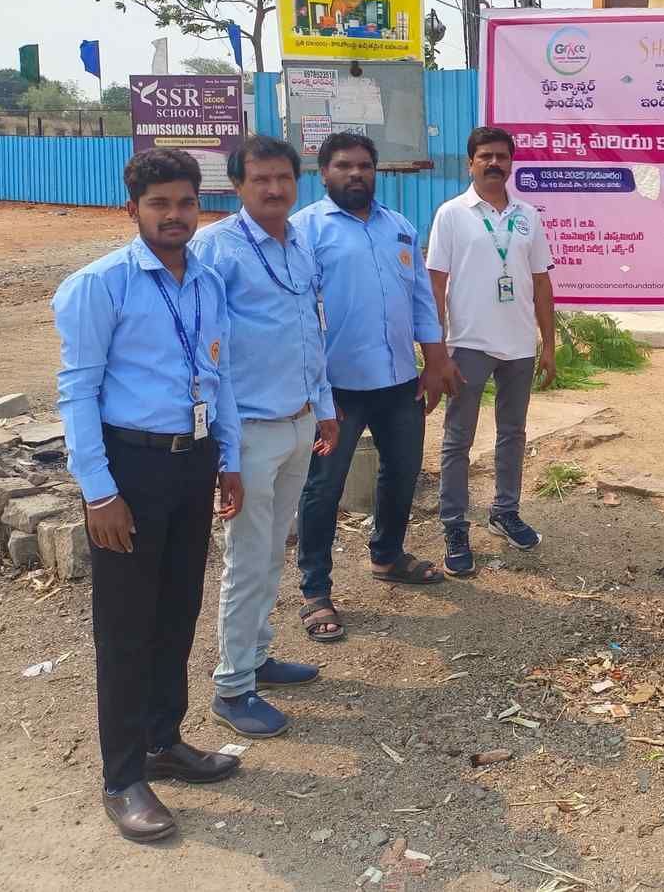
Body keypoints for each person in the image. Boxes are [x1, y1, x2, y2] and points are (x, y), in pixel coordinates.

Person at [52, 148, 244, 843]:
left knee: (177, 611)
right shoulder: (98, 286)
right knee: (126, 629)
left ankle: (165, 742)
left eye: (185, 203)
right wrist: (98, 493)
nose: (174, 215)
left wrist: (229, 458)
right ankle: (123, 776)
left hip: (191, 465)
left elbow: (218, 376)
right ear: (131, 209)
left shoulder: (206, 282)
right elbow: (76, 392)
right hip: (129, 472)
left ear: (200, 206)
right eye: (159, 203)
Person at [191, 135, 339, 738]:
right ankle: (233, 686)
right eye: (260, 180)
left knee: (274, 548)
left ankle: (257, 655)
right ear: (237, 186)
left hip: (299, 420)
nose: (274, 189)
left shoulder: (300, 242)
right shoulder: (215, 248)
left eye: (283, 178)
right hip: (248, 431)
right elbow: (205, 353)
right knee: (247, 560)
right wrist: (222, 447)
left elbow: (312, 328)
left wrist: (323, 406)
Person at [294, 132, 454, 642]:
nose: (356, 174)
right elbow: (295, 312)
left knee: (402, 472)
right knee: (323, 487)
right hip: (336, 388)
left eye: (364, 165)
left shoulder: (399, 227)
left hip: (398, 380)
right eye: (344, 166)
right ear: (323, 173)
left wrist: (434, 360)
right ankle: (315, 590)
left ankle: (387, 555)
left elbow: (420, 300)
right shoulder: (304, 232)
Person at [427, 126, 557, 575]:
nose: (493, 163)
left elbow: (542, 282)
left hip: (519, 344)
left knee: (513, 433)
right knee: (457, 440)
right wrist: (436, 352)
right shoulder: (452, 214)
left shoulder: (527, 216)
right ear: (470, 163)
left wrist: (549, 346)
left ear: (510, 161)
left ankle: (505, 511)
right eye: (485, 156)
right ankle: (454, 525)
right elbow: (435, 283)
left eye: (501, 156)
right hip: (468, 344)